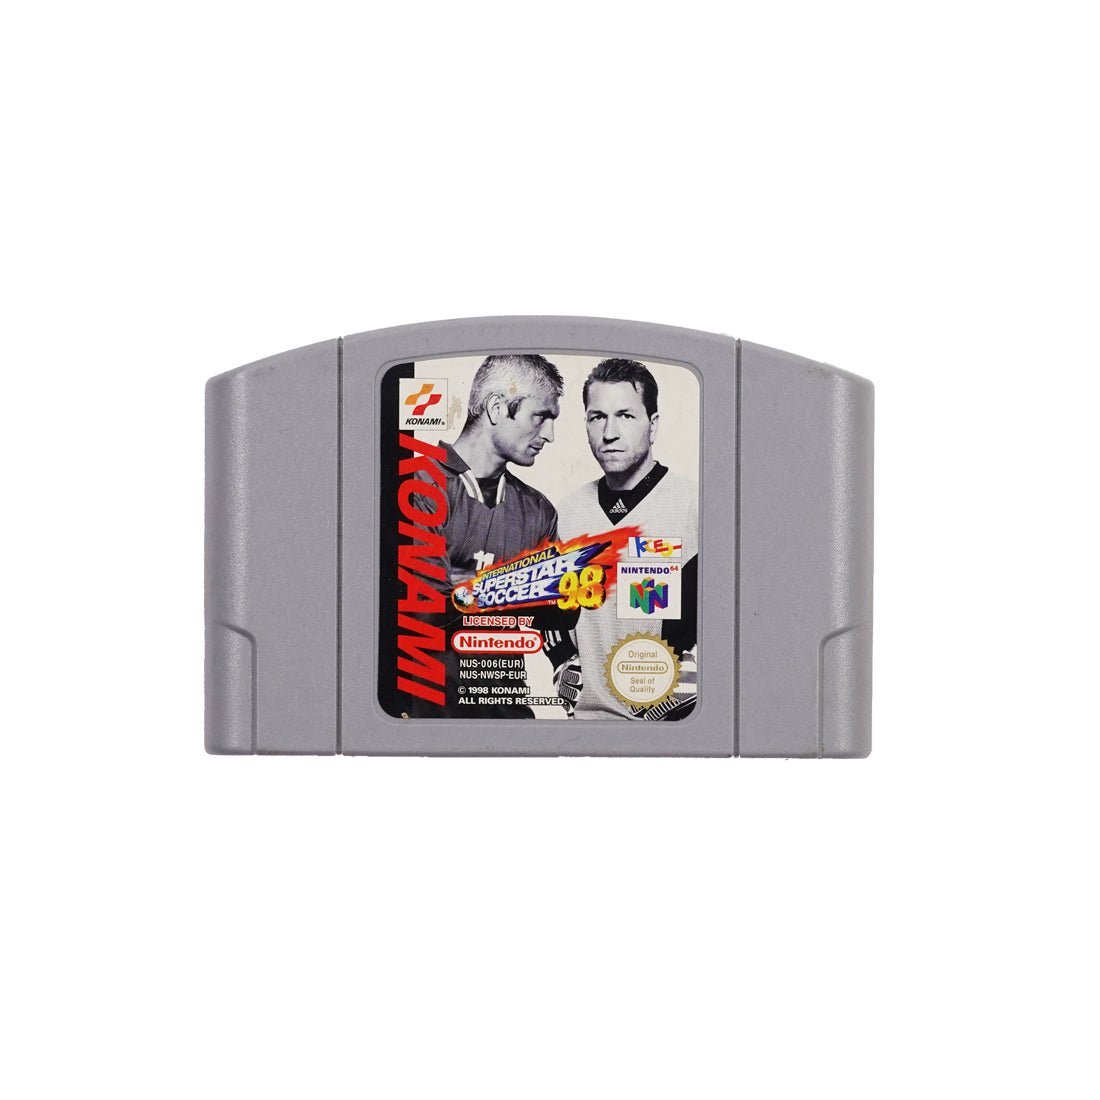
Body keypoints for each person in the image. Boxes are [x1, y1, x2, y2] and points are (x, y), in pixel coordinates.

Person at [407, 354, 566, 715]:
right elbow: (425, 611)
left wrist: (464, 582)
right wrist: (522, 585)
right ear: (496, 407)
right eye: (540, 416)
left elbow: (558, 611)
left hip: (509, 720)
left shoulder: (539, 510)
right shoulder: (418, 484)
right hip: (426, 720)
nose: (549, 435)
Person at [553, 359, 699, 720]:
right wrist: (561, 665)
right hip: (583, 727)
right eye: (597, 417)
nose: (610, 433)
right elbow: (550, 615)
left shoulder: (695, 505)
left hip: (669, 730)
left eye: (625, 416)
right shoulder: (566, 513)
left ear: (653, 425)